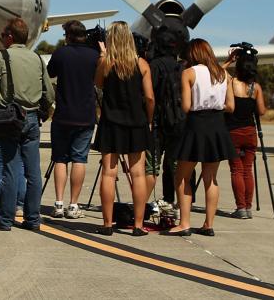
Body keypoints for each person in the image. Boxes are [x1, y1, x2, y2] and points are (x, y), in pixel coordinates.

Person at [0, 17, 55, 232]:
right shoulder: (36, 57)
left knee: (10, 169)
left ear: (10, 37)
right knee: (33, 172)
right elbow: (48, 92)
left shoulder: (1, 56)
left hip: (10, 118)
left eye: (4, 35)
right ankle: (33, 219)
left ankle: (4, 219)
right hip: (32, 118)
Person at [165, 38, 235, 237]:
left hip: (196, 125)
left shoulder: (189, 73)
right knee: (210, 177)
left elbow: (186, 106)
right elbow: (231, 106)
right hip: (217, 126)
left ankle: (184, 223)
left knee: (182, 176)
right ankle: (208, 224)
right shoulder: (223, 74)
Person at [91, 21, 154, 236]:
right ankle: (137, 225)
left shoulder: (105, 63)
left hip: (111, 123)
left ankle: (107, 224)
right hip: (136, 123)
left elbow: (98, 84)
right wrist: (149, 119)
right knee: (138, 174)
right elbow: (149, 97)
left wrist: (103, 56)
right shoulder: (142, 64)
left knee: (109, 174)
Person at [46, 20, 99, 220]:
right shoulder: (94, 56)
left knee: (60, 158)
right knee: (79, 159)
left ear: (68, 35)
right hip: (85, 116)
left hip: (63, 114)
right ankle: (73, 204)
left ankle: (58, 203)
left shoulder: (61, 53)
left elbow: (50, 73)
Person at [144, 28, 187, 211]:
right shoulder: (182, 67)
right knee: (176, 166)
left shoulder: (154, 66)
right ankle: (178, 203)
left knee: (152, 166)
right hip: (179, 122)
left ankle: (142, 205)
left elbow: (149, 96)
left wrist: (149, 119)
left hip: (159, 123)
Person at [225, 46, 267, 219]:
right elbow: (262, 111)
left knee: (236, 170)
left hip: (233, 132)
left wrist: (229, 61)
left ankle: (240, 207)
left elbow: (218, 72)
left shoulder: (231, 82)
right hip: (250, 132)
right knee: (247, 170)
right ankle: (248, 207)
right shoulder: (255, 87)